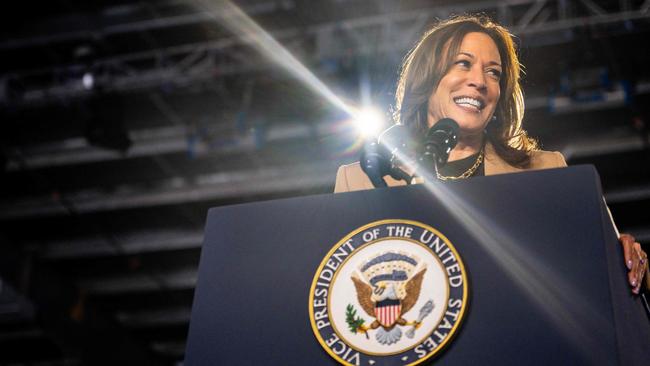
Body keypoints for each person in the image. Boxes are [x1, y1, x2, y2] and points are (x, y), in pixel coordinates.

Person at [334, 15, 648, 294]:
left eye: (494, 73)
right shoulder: (361, 179)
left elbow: (597, 274)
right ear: (426, 78)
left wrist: (625, 259)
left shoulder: (546, 170)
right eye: (463, 63)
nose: (480, 82)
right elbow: (338, 282)